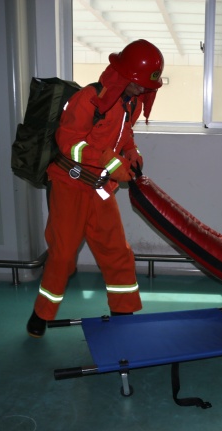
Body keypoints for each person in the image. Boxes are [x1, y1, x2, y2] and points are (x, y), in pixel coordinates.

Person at [26, 39, 164, 337]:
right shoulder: (89, 99)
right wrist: (108, 161)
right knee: (63, 256)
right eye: (139, 83)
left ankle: (123, 313)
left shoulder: (131, 102)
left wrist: (131, 152)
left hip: (100, 189)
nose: (142, 90)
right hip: (69, 184)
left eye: (147, 86)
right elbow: (68, 143)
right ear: (124, 74)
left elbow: (123, 135)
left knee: (117, 252)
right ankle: (41, 313)